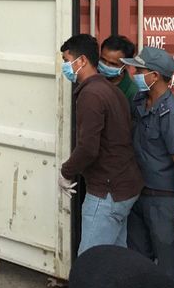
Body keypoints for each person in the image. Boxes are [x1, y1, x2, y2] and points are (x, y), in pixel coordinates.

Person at [121, 46, 174, 288]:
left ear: (154, 76)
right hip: (140, 196)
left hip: (163, 202)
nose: (135, 74)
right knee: (138, 262)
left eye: (139, 70)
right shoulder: (141, 102)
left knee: (167, 268)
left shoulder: (172, 115)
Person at [58, 34, 143, 255]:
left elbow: (88, 148)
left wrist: (66, 172)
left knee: (91, 260)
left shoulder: (91, 95)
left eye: (67, 60)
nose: (65, 66)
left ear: (82, 61)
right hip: (125, 187)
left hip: (107, 192)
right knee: (114, 258)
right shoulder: (110, 90)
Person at [99, 35, 139, 106]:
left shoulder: (133, 93)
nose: (106, 65)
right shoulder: (92, 80)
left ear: (125, 65)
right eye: (103, 60)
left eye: (112, 64)